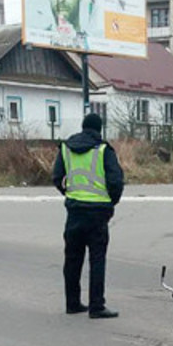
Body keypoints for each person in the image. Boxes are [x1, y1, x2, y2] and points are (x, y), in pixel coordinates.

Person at [52, 113, 124, 318]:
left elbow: (57, 177)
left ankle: (72, 303)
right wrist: (111, 202)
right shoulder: (103, 150)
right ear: (99, 129)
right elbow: (116, 181)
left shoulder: (66, 148)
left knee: (72, 259)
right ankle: (97, 306)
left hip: (74, 211)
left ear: (83, 127)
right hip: (98, 213)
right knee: (97, 260)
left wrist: (70, 195)